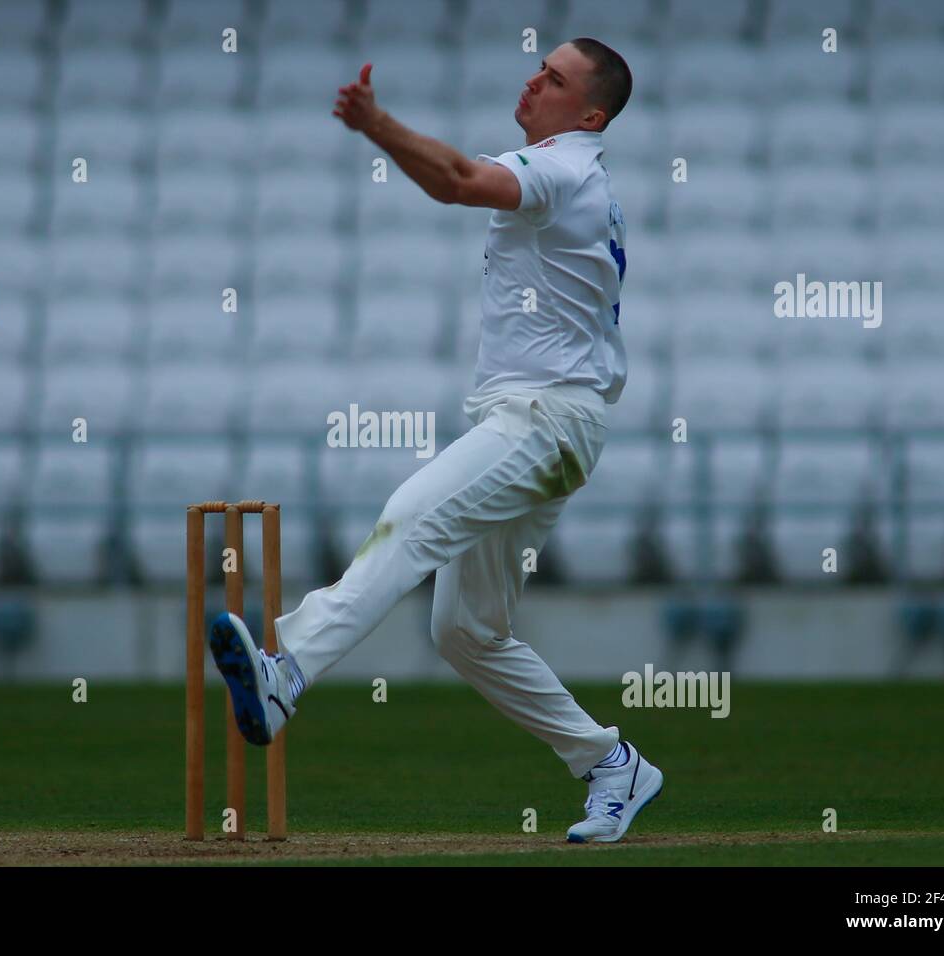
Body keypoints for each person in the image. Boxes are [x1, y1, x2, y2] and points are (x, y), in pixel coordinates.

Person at [208, 38, 661, 844]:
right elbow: (456, 183)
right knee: (466, 631)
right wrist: (382, 134)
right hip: (546, 420)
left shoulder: (563, 172)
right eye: (538, 67)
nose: (533, 79)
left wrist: (376, 123)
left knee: (411, 515)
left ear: (591, 113)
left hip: (545, 418)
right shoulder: (563, 174)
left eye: (553, 79)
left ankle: (289, 665)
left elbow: (456, 181)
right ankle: (610, 763)